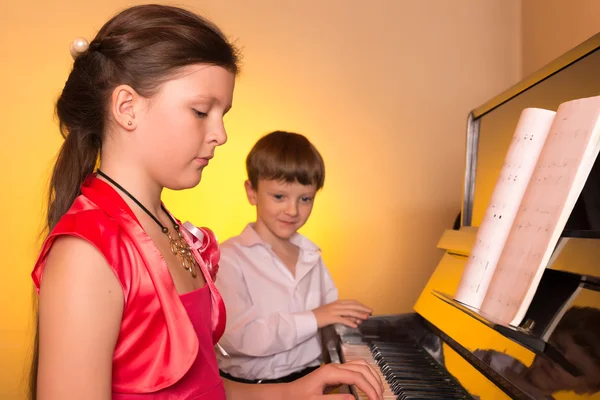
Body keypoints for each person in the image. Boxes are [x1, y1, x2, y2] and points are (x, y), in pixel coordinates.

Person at [29, 4, 384, 400]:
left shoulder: (173, 230)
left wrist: (296, 392)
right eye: (201, 111)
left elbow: (202, 388)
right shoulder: (89, 253)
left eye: (223, 113)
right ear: (127, 108)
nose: (221, 134)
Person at [215, 131, 373, 384]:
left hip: (311, 379)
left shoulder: (312, 256)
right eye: (279, 196)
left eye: (305, 199)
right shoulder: (229, 258)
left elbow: (330, 323)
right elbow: (238, 338)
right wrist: (315, 317)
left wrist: (359, 351)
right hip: (254, 390)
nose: (293, 210)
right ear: (252, 192)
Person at [474, 306, 600, 399]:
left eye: (574, 368)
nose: (556, 364)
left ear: (585, 388)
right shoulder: (493, 360)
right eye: (558, 349)